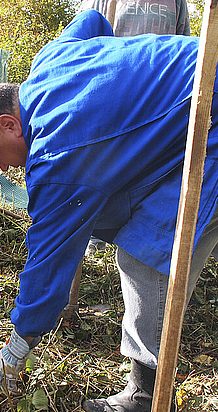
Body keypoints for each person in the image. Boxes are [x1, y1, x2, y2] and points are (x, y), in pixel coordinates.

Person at [0, 10, 218, 412]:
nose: (5, 170)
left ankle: (144, 397)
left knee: (148, 248)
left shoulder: (55, 150)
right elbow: (91, 22)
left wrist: (20, 341)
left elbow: (48, 255)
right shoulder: (50, 61)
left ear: (11, 125)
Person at [77, 0, 189, 256]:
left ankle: (147, 237)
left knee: (153, 168)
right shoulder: (102, 2)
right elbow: (84, 51)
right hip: (113, 93)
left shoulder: (174, 2)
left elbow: (182, 45)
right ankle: (96, 234)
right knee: (105, 165)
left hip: (159, 95)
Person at [78, 0, 190, 36]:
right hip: (115, 83)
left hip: (160, 85)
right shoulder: (100, 2)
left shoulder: (177, 2)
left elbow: (184, 49)